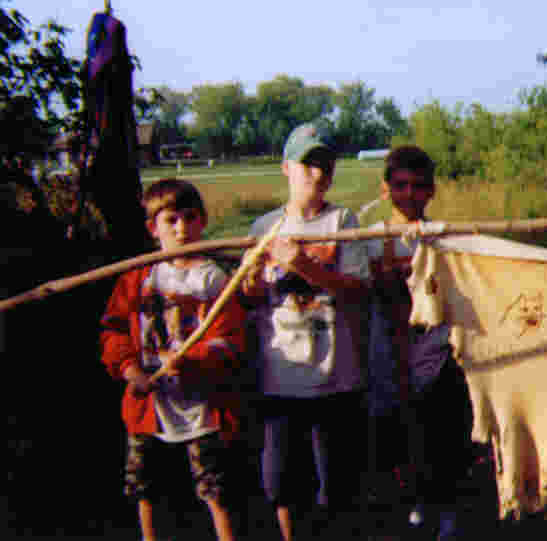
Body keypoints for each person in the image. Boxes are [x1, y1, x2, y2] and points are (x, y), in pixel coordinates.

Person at [240, 123, 370, 540]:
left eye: (325, 165)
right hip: (280, 376)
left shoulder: (343, 221)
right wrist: (253, 279)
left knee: (335, 482)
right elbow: (250, 296)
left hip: (335, 376)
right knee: (281, 481)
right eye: (308, 164)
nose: (317, 173)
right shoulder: (264, 227)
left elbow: (358, 290)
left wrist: (306, 267)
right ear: (286, 168)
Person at [100, 178, 246, 541]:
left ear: (203, 220)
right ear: (153, 228)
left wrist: (191, 361)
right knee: (145, 489)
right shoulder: (139, 278)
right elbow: (113, 330)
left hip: (202, 407)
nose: (182, 228)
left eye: (190, 217)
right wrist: (129, 368)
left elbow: (230, 340)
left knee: (215, 491)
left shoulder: (215, 279)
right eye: (171, 220)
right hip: (149, 404)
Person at [367, 145, 474, 540]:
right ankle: (406, 513)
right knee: (395, 441)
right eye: (400, 186)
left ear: (431, 191)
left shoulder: (443, 236)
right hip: (385, 357)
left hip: (434, 355)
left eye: (418, 186)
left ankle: (445, 513)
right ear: (385, 189)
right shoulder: (368, 238)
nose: (409, 194)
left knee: (439, 438)